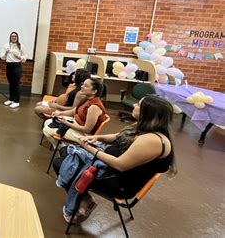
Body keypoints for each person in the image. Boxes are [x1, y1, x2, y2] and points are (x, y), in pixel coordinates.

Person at [53, 95, 176, 224]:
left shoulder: (153, 140)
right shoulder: (143, 127)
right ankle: (83, 196)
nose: (134, 105)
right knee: (65, 151)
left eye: (138, 105)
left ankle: (84, 199)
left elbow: (120, 165)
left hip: (119, 182)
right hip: (111, 169)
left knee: (60, 163)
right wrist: (96, 138)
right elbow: (117, 137)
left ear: (148, 113)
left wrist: (91, 149)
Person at [42, 78, 107, 147]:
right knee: (47, 122)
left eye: (86, 86)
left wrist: (66, 123)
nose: (82, 86)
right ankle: (64, 148)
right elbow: (74, 111)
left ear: (94, 91)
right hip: (75, 125)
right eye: (83, 84)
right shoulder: (86, 99)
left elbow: (87, 130)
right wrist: (60, 113)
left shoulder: (94, 107)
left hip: (83, 134)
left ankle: (62, 150)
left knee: (46, 130)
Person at [0, 31, 26, 109]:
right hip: (9, 66)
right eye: (12, 36)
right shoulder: (6, 45)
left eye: (15, 36)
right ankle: (11, 99)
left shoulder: (21, 46)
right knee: (11, 83)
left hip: (17, 66)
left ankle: (16, 101)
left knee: (16, 84)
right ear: (10, 37)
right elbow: (2, 57)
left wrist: (20, 57)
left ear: (17, 37)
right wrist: (6, 53)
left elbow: (25, 57)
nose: (14, 37)